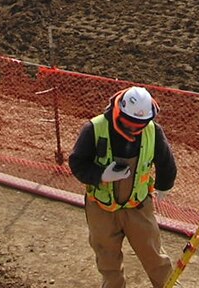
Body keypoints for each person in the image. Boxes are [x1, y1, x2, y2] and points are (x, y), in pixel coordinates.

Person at [69, 86, 178, 288]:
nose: (133, 130)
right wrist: (101, 175)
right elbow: (77, 163)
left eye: (139, 125)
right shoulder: (95, 129)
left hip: (138, 207)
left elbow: (166, 162)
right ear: (120, 111)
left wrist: (165, 185)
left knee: (153, 253)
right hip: (101, 208)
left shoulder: (153, 132)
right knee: (107, 256)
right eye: (129, 124)